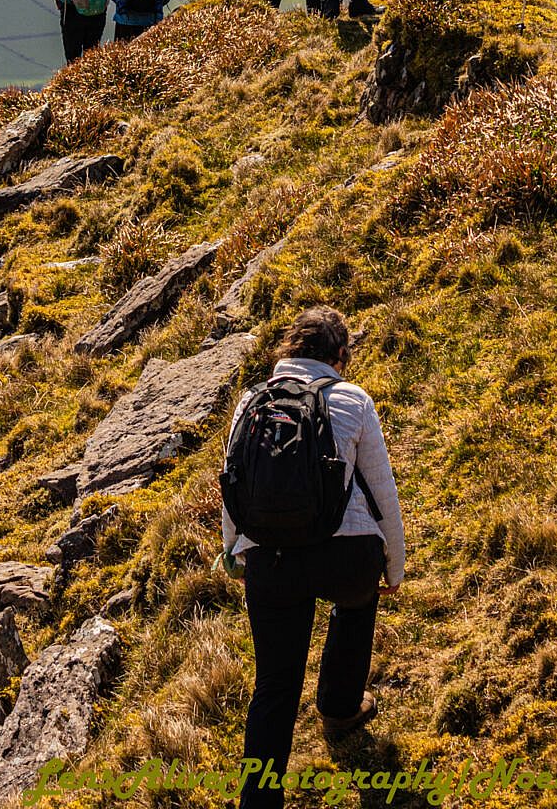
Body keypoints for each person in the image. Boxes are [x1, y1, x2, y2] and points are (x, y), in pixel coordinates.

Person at [222, 307, 404, 809]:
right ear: (340, 355)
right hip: (344, 558)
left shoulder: (250, 402)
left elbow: (233, 484)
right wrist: (395, 566)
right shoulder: (352, 399)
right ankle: (341, 706)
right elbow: (381, 491)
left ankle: (259, 801)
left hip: (271, 560)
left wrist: (234, 552)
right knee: (358, 599)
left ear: (289, 351)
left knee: (274, 685)